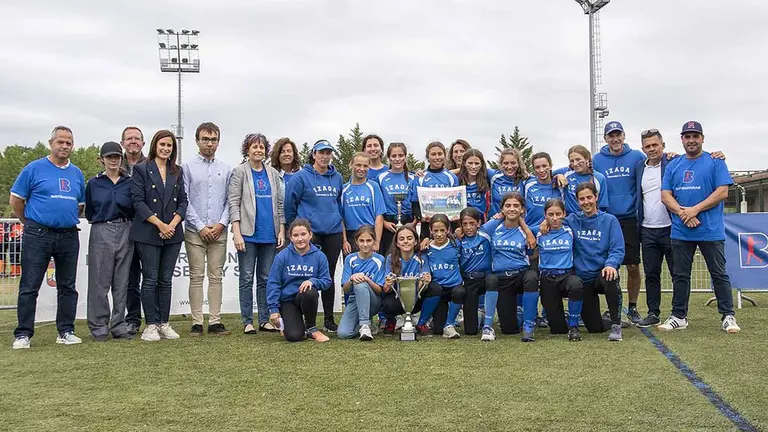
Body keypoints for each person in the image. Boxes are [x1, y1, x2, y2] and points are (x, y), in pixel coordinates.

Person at [660, 121, 740, 333]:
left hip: (710, 230)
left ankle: (728, 315)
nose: (691, 140)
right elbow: (665, 195)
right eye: (687, 136)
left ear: (702, 138)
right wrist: (684, 213)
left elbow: (722, 192)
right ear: (682, 139)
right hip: (681, 230)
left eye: (695, 136)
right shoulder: (674, 164)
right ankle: (679, 316)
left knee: (718, 273)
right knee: (680, 275)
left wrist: (694, 209)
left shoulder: (715, 162)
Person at [11, 126, 86, 349]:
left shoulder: (77, 173)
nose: (64, 146)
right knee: (30, 285)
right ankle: (23, 333)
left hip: (68, 235)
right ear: (51, 143)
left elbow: (79, 206)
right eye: (60, 142)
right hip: (38, 234)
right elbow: (16, 202)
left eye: (68, 143)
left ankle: (66, 330)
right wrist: (31, 223)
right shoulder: (33, 169)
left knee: (67, 286)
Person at [543, 183, 624, 341]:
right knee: (595, 328)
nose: (586, 202)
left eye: (589, 197)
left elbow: (617, 249)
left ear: (596, 197)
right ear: (577, 201)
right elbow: (555, 220)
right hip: (581, 281)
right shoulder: (571, 220)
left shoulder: (610, 220)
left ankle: (616, 323)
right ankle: (603, 319)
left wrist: (611, 264)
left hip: (601, 274)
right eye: (582, 199)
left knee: (611, 277)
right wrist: (544, 222)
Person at [130, 130, 188, 342]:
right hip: (148, 232)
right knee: (150, 279)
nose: (166, 149)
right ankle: (151, 325)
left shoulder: (177, 171)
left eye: (170, 146)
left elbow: (183, 201)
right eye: (162, 144)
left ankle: (164, 323)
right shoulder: (141, 169)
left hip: (172, 233)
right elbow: (138, 202)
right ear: (155, 145)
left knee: (166, 280)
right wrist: (160, 225)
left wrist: (172, 224)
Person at [284, 139, 344, 332]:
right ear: (314, 154)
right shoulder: (300, 177)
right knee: (305, 275)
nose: (325, 156)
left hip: (332, 232)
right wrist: (297, 229)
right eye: (321, 152)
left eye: (328, 153)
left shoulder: (337, 177)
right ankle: (304, 318)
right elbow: (289, 204)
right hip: (311, 233)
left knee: (329, 275)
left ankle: (328, 319)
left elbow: (338, 204)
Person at [230, 133, 285, 334]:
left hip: (269, 234)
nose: (258, 150)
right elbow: (234, 203)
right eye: (254, 147)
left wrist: (281, 229)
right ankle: (247, 321)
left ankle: (264, 319)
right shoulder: (239, 172)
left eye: (262, 147)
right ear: (247, 149)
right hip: (247, 233)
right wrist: (236, 232)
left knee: (266, 278)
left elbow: (279, 204)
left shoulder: (272, 173)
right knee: (246, 278)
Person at [592, 122, 646, 324]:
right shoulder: (597, 160)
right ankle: (610, 308)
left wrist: (671, 155)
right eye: (610, 135)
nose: (615, 139)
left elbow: (657, 163)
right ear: (605, 138)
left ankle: (632, 307)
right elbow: (576, 167)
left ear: (624, 136)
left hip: (629, 218)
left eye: (618, 134)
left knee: (632, 265)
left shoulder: (637, 157)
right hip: (605, 218)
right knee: (606, 265)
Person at [182, 122, 232, 337]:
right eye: (205, 139)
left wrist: (221, 224)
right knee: (196, 276)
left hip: (219, 230)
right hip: (195, 230)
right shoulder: (187, 167)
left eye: (213, 139)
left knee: (216, 276)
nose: (209, 143)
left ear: (218, 142)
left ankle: (215, 320)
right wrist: (201, 226)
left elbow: (231, 201)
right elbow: (184, 199)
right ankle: (196, 322)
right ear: (197, 141)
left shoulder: (226, 168)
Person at [84, 141, 135, 342]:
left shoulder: (129, 182)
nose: (113, 160)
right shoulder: (94, 183)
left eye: (117, 156)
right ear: (101, 160)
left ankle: (119, 324)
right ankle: (98, 326)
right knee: (99, 280)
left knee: (122, 281)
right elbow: (89, 211)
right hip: (101, 228)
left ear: (121, 159)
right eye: (109, 157)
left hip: (126, 228)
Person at [479, 193, 539, 342]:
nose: (512, 209)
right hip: (502, 278)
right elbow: (478, 230)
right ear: (502, 209)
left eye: (516, 206)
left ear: (522, 210)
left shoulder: (527, 231)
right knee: (509, 329)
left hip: (520, 275)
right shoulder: (495, 227)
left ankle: (529, 324)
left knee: (532, 277)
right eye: (508, 206)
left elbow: (546, 227)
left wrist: (527, 230)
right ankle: (518, 313)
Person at [266, 219, 331, 342]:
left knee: (310, 291)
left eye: (303, 234)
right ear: (290, 237)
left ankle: (311, 329)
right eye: (295, 235)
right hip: (288, 301)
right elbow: (273, 283)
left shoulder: (319, 256)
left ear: (310, 235)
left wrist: (313, 281)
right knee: (294, 336)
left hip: (306, 297)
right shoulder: (282, 256)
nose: (300, 239)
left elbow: (326, 281)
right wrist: (273, 309)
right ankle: (291, 325)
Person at [536, 199, 583, 341]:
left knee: (576, 284)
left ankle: (574, 326)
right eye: (551, 214)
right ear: (545, 215)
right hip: (547, 278)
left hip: (566, 276)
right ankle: (563, 318)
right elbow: (522, 228)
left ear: (564, 214)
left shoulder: (570, 230)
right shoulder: (539, 232)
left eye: (558, 214)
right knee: (557, 329)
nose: (555, 218)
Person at [120, 126, 147, 336]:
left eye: (137, 138)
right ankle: (132, 319)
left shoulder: (152, 165)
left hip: (148, 227)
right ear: (123, 143)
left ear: (143, 144)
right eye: (129, 139)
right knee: (130, 278)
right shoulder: (114, 165)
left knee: (151, 277)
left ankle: (155, 319)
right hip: (124, 228)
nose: (133, 142)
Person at [380, 225, 430, 335]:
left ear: (416, 241)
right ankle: (391, 321)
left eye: (409, 238)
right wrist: (388, 284)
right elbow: (386, 289)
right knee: (382, 295)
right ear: (397, 243)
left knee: (434, 288)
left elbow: (424, 284)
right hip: (398, 298)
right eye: (401, 239)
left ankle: (422, 323)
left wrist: (425, 281)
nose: (406, 242)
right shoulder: (390, 258)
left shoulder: (422, 257)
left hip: (416, 298)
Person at [338, 226, 386, 340]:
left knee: (360, 284)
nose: (365, 244)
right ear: (356, 242)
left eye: (369, 240)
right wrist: (351, 279)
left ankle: (365, 325)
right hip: (355, 300)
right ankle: (366, 324)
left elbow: (380, 290)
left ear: (374, 241)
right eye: (362, 241)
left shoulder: (380, 260)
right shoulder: (350, 259)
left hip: (373, 300)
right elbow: (345, 289)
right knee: (343, 334)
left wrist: (367, 279)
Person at [421, 214, 464, 338]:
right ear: (430, 231)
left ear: (448, 230)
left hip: (454, 288)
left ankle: (449, 324)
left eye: (442, 230)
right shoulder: (426, 248)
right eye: (435, 231)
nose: (439, 234)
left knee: (460, 291)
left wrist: (459, 229)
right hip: (438, 291)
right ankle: (433, 320)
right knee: (437, 330)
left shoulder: (456, 244)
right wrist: (424, 239)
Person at [408, 141, 459, 240]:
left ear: (445, 155)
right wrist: (421, 216)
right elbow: (415, 204)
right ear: (428, 157)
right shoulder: (420, 178)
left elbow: (457, 202)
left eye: (440, 154)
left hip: (448, 226)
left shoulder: (451, 177)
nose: (437, 157)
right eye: (433, 154)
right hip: (427, 227)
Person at [457, 207, 493, 336]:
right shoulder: (458, 240)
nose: (468, 227)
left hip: (485, 278)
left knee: (492, 281)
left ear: (478, 223)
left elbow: (504, 216)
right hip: (468, 281)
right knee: (470, 331)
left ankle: (487, 320)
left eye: (472, 223)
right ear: (460, 225)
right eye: (465, 224)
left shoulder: (486, 235)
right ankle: (478, 314)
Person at [342, 153, 386, 255]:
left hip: (369, 234)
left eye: (365, 166)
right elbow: (341, 218)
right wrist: (344, 240)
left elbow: (379, 216)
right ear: (351, 165)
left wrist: (377, 241)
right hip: (351, 237)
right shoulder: (344, 189)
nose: (362, 169)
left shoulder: (373, 187)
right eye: (358, 165)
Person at [375, 142, 413, 255]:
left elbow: (417, 203)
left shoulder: (413, 177)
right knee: (389, 256)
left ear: (405, 157)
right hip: (388, 223)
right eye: (394, 156)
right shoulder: (381, 178)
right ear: (389, 158)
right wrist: (385, 222)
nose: (397, 159)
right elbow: (378, 204)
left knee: (407, 256)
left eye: (400, 156)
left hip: (408, 222)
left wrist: (414, 223)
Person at [554, 145, 609, 216]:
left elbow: (602, 206)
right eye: (572, 161)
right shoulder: (566, 173)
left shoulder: (599, 178)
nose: (575, 164)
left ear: (587, 159)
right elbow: (547, 175)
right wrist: (558, 176)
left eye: (578, 159)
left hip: (591, 219)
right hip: (571, 220)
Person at [489, 149, 532, 216]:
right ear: (501, 164)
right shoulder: (493, 176)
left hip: (517, 223)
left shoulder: (525, 179)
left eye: (513, 163)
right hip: (495, 221)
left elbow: (547, 175)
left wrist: (554, 177)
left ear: (518, 163)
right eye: (506, 163)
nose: (509, 167)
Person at [458, 149, 491, 221]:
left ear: (481, 164)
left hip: (481, 220)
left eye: (476, 163)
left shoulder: (487, 179)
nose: (473, 167)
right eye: (470, 163)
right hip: (463, 221)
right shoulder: (457, 181)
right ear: (464, 163)